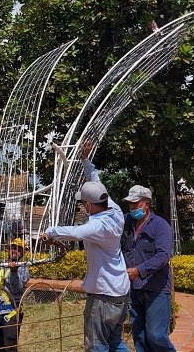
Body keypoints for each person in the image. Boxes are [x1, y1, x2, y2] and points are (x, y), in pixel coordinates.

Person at [42, 144, 130, 352]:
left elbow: (76, 233)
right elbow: (95, 179)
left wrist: (51, 231)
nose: (82, 207)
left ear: (89, 205)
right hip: (120, 292)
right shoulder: (114, 208)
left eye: (83, 204)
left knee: (96, 345)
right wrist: (85, 159)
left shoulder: (98, 225)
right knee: (115, 342)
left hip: (104, 295)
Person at [121, 184, 176, 352]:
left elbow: (163, 255)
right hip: (134, 289)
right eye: (130, 203)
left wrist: (138, 271)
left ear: (146, 203)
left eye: (136, 203)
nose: (132, 206)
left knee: (156, 335)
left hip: (156, 289)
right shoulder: (125, 222)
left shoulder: (160, 226)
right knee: (140, 338)